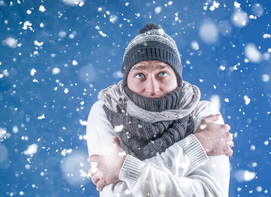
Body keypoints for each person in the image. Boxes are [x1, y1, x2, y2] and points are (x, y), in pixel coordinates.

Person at [86, 22, 234, 197]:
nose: (152, 88)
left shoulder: (202, 112)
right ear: (127, 80)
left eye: (162, 73)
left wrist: (125, 169)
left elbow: (211, 193)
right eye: (140, 75)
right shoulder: (106, 110)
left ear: (177, 78)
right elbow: (118, 194)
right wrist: (198, 145)